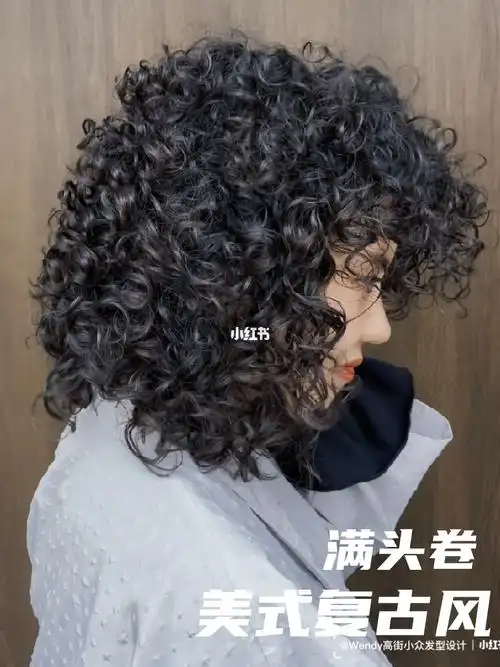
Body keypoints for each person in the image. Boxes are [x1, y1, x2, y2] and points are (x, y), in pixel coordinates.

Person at [27, 36, 489, 666]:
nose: (382, 327)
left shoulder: (103, 433)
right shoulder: (256, 634)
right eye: (363, 276)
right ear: (242, 284)